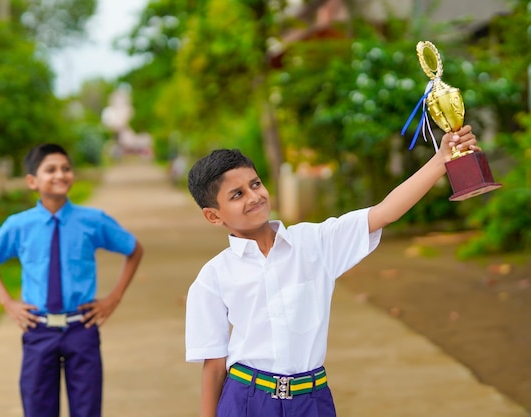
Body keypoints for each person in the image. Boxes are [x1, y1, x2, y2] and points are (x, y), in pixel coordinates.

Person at [185, 126, 478, 417]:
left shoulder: (315, 242)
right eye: (237, 194)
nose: (254, 197)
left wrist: (442, 159)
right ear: (213, 215)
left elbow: (385, 211)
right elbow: (213, 366)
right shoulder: (213, 277)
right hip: (246, 400)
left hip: (311, 399)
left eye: (256, 184)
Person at [0, 143, 144, 417]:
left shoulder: (93, 220)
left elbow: (134, 249)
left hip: (81, 328)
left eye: (66, 168)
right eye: (50, 169)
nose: (60, 174)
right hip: (38, 330)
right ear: (32, 181)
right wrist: (8, 303)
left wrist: (114, 299)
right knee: (38, 408)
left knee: (87, 409)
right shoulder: (19, 225)